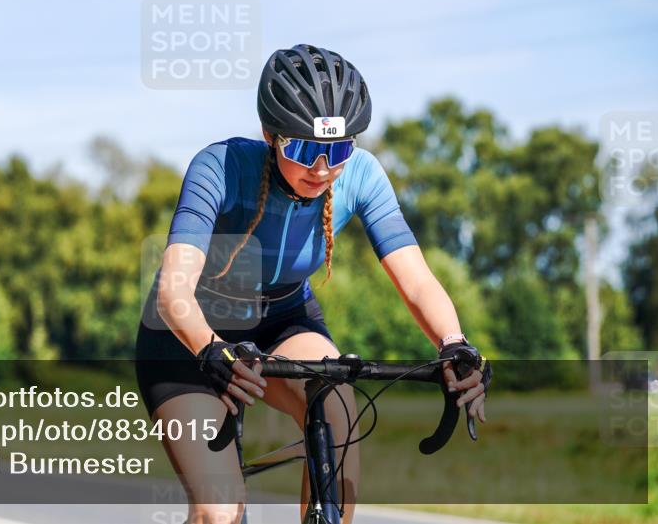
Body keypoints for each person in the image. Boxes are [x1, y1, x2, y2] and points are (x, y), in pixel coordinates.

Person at [134, 44, 490, 524]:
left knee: (336, 397)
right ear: (269, 135)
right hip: (189, 336)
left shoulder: (361, 176)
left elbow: (418, 281)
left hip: (283, 319)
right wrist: (211, 351)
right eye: (303, 150)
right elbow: (173, 292)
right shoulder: (219, 167)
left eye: (338, 151)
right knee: (220, 512)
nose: (322, 170)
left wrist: (455, 344)